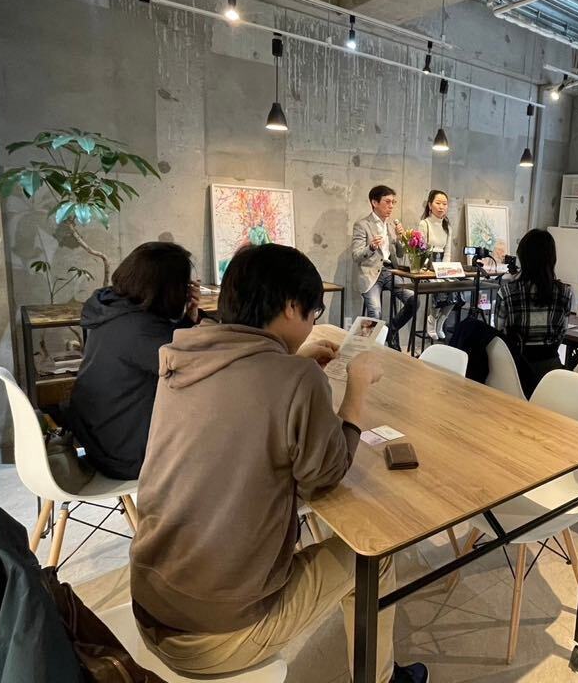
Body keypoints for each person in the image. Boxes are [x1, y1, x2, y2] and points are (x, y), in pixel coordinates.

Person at [129, 244, 427, 683]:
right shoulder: (297, 379)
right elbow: (325, 476)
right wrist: (357, 388)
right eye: (312, 313)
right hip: (214, 637)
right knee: (373, 558)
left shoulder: (184, 358)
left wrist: (291, 363)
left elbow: (243, 409)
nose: (311, 324)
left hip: (150, 603)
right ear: (290, 307)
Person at [64, 242, 200, 480]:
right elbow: (191, 364)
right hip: (125, 456)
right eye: (183, 285)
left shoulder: (110, 308)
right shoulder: (142, 330)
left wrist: (189, 318)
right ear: (168, 288)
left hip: (98, 437)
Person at [494, 228, 574, 381]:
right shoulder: (565, 293)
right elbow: (562, 333)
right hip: (551, 372)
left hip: (515, 370)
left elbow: (499, 333)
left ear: (523, 258)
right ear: (552, 259)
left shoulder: (507, 292)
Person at [351, 185, 417, 349]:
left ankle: (391, 330)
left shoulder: (391, 226)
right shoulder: (362, 225)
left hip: (390, 272)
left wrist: (401, 238)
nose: (391, 206)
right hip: (370, 274)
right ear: (374, 202)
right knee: (375, 312)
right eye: (387, 202)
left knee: (414, 300)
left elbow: (400, 254)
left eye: (393, 202)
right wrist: (371, 247)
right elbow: (356, 256)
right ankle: (366, 349)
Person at [416, 189, 463, 340]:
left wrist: (445, 269)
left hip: (441, 266)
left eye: (444, 204)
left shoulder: (447, 226)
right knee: (440, 287)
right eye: (438, 203)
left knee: (456, 288)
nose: (441, 207)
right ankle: (432, 318)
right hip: (427, 267)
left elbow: (447, 251)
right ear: (430, 205)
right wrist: (429, 269)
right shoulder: (424, 224)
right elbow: (420, 250)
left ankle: (441, 321)